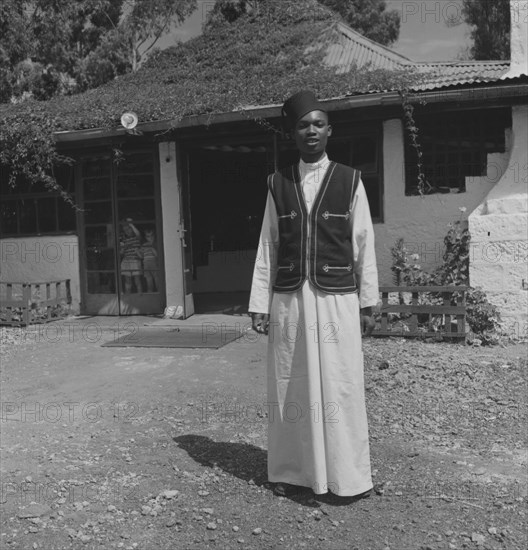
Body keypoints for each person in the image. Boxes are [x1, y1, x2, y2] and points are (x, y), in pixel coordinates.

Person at [249, 90, 379, 499]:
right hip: (290, 301)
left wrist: (369, 300)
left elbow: (364, 242)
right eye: (303, 124)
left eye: (318, 124)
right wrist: (259, 303)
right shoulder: (278, 183)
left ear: (329, 130)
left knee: (339, 383)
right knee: (292, 383)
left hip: (336, 299)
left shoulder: (350, 180)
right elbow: (268, 245)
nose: (311, 131)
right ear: (293, 132)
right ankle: (296, 473)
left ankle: (346, 476)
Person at [119, 218, 143, 294]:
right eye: (125, 230)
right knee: (127, 281)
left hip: (135, 261)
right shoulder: (124, 240)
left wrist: (131, 224)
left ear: (132, 228)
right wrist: (122, 248)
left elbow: (138, 234)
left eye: (128, 229)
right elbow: (121, 253)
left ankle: (140, 297)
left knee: (137, 281)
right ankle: (128, 297)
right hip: (126, 261)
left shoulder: (136, 238)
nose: (127, 231)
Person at [140, 228, 159, 293]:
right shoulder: (144, 245)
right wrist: (138, 252)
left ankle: (158, 291)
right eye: (148, 236)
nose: (150, 238)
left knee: (156, 278)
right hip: (146, 264)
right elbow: (141, 256)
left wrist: (152, 248)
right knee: (148, 279)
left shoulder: (156, 244)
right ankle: (150, 292)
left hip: (154, 263)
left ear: (154, 236)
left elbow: (157, 255)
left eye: (151, 236)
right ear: (146, 237)